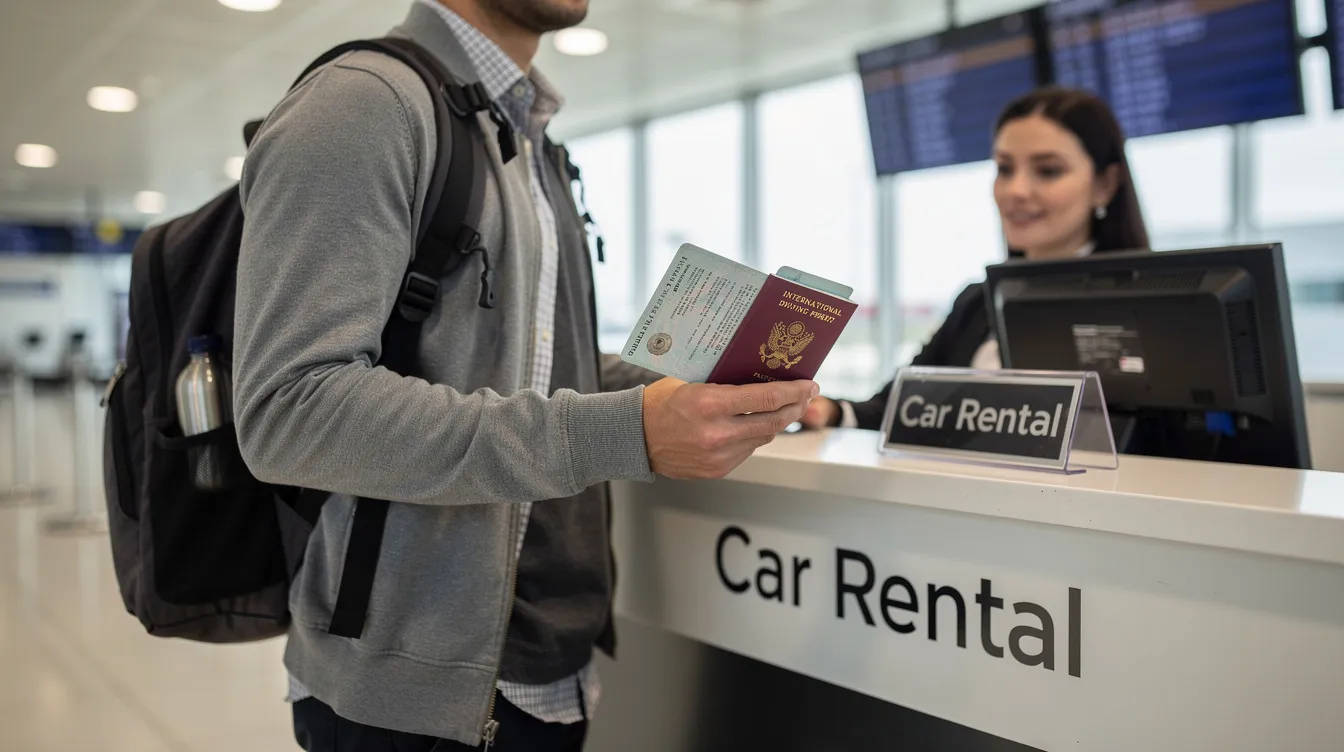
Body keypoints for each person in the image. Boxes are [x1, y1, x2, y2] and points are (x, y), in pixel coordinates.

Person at [231, 1, 818, 750]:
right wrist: (626, 432)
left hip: (548, 666)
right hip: (411, 691)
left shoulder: (528, 139)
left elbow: (539, 369)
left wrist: (702, 391)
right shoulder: (362, 105)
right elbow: (290, 410)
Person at [802, 86, 1150, 431]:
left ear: (1105, 184)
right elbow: (896, 407)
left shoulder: (1146, 307)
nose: (1016, 190)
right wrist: (830, 411)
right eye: (1005, 169)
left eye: (1048, 171)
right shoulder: (976, 303)